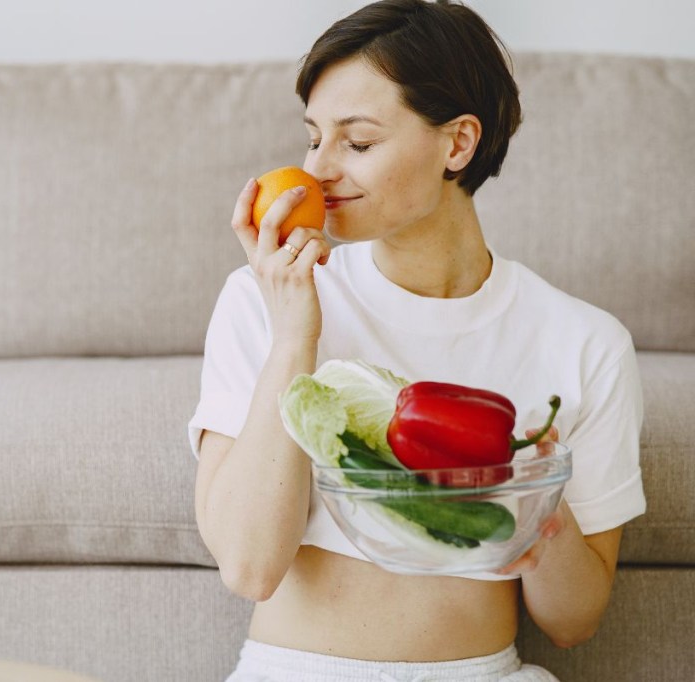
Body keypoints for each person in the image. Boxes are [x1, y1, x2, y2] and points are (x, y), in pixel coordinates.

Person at [187, 1, 646, 680]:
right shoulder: (262, 299)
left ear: (457, 144)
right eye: (313, 137)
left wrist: (535, 505)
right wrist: (294, 334)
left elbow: (573, 623)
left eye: (358, 142)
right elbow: (250, 567)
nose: (317, 170)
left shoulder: (585, 343)